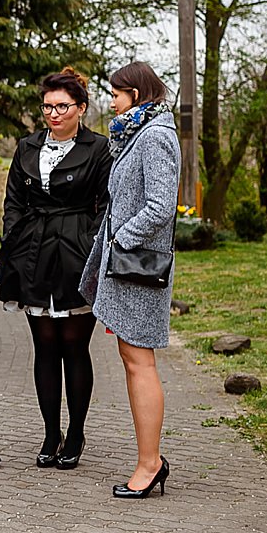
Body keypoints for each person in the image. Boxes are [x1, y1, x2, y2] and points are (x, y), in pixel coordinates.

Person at [0, 69, 111, 469]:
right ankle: (50, 433)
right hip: (34, 253)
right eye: (47, 106)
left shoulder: (98, 148)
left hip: (76, 251)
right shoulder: (26, 147)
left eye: (62, 106)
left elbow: (105, 203)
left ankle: (76, 432)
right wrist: (15, 236)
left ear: (81, 108)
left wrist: (90, 244)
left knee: (74, 348)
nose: (53, 113)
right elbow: (12, 199)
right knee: (44, 347)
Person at [80, 61, 180, 499]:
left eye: (117, 94)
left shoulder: (156, 137)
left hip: (138, 267)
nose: (112, 101)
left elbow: (161, 206)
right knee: (132, 358)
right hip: (128, 267)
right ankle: (148, 459)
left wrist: (122, 235)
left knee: (140, 362)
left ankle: (150, 464)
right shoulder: (140, 134)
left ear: (136, 95)